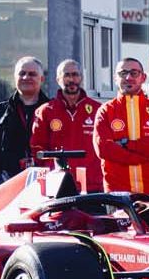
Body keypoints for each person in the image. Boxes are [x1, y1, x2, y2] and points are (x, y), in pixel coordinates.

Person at [92, 57, 149, 215]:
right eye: (123, 73)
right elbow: (104, 149)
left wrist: (126, 144)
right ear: (115, 78)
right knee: (120, 239)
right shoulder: (105, 111)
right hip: (118, 195)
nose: (128, 77)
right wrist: (144, 157)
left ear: (143, 77)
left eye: (134, 73)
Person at [28, 58, 101, 192]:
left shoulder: (98, 110)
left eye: (75, 75)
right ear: (58, 79)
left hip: (93, 186)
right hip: (57, 185)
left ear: (81, 78)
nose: (71, 79)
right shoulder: (45, 111)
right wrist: (53, 171)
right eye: (66, 75)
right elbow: (37, 150)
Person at [0, 56, 46, 178]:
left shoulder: (52, 111)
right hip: (8, 182)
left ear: (41, 79)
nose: (26, 77)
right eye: (22, 73)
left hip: (45, 181)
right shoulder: (0, 111)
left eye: (32, 74)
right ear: (15, 78)